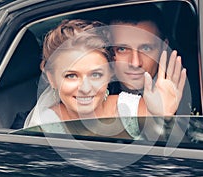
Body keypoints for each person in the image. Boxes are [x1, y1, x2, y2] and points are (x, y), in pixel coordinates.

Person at [24, 19, 186, 140]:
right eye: (71, 75)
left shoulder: (135, 108)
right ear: (52, 79)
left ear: (109, 74)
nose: (85, 88)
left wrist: (163, 118)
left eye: (96, 75)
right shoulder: (42, 125)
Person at [105, 3, 186, 104]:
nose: (135, 63)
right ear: (109, 49)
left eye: (146, 48)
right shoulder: (94, 95)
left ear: (164, 46)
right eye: (122, 49)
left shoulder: (195, 96)